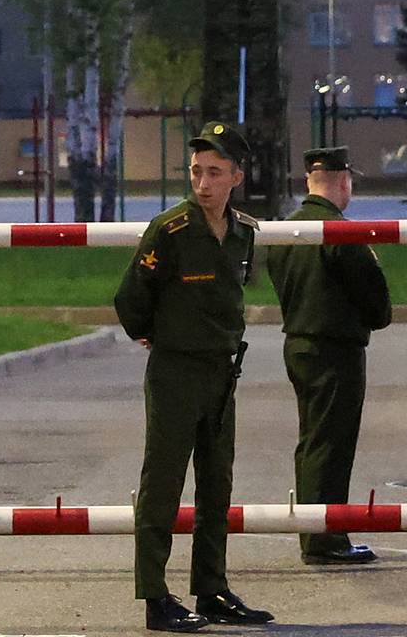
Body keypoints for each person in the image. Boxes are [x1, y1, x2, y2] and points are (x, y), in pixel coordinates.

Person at [114, 122, 274, 633]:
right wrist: (153, 333)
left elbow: (235, 291)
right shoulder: (171, 229)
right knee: (163, 482)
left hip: (222, 370)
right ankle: (155, 597)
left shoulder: (244, 232)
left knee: (216, 482)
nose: (203, 183)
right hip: (176, 370)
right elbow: (131, 296)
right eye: (196, 172)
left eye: (215, 173)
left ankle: (212, 588)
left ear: (236, 178)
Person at [267, 146, 391, 566]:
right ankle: (325, 537)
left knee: (311, 441)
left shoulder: (284, 232)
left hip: (297, 342)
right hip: (336, 349)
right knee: (331, 445)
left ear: (308, 181)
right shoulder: (341, 233)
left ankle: (314, 527)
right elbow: (376, 301)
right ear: (343, 182)